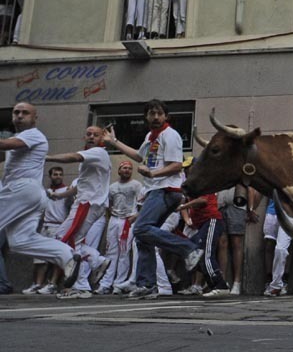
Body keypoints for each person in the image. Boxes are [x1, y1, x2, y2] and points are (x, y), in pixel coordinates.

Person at [102, 99, 203, 299]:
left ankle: (189, 249)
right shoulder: (150, 136)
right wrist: (114, 142)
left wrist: (152, 174)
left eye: (159, 114)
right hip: (156, 190)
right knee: (142, 237)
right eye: (151, 114)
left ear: (166, 116)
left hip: (166, 190)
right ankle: (146, 284)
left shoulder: (170, 135)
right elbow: (139, 157)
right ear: (146, 117)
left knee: (139, 228)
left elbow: (176, 165)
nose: (155, 117)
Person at [0, 103, 82, 293]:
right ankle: (67, 256)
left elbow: (6, 144)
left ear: (35, 118)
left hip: (21, 189)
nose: (19, 115)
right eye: (16, 112)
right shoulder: (19, 138)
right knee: (21, 240)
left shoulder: (33, 135)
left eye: (25, 113)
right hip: (30, 194)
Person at [44, 126, 113, 299]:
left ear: (102, 139)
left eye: (95, 135)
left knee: (66, 240)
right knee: (68, 240)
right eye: (88, 134)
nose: (91, 137)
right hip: (86, 203)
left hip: (88, 204)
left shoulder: (98, 152)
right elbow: (78, 187)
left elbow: (73, 156)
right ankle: (96, 261)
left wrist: (47, 157)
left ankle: (80, 284)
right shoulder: (90, 159)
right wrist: (58, 195)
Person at [177, 160, 230, 297]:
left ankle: (220, 286)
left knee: (206, 254)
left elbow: (203, 200)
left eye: (189, 167)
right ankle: (214, 285)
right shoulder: (190, 184)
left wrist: (183, 207)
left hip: (211, 220)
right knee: (196, 254)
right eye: (186, 167)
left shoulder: (203, 181)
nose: (187, 169)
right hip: (202, 224)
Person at [21, 166, 70, 295]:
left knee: (56, 257)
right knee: (39, 256)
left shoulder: (67, 191)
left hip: (59, 227)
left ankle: (52, 284)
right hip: (45, 226)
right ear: (50, 176)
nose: (58, 176)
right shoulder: (45, 191)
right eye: (55, 174)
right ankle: (38, 284)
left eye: (60, 174)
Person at [96, 160, 142, 295]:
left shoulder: (136, 185)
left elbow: (141, 204)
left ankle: (118, 283)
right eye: (124, 168)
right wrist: (112, 217)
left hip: (128, 222)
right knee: (111, 252)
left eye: (129, 168)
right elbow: (109, 205)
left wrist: (135, 217)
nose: (127, 170)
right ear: (119, 170)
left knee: (124, 252)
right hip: (114, 220)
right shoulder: (112, 187)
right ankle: (105, 284)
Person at [217, 186, 258, 295]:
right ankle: (223, 281)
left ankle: (237, 281)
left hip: (238, 206)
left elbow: (250, 188)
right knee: (222, 243)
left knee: (237, 243)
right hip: (221, 205)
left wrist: (251, 208)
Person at [262, 198, 291, 296]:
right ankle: (273, 282)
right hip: (272, 211)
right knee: (270, 246)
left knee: (281, 249)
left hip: (288, 214)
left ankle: (283, 281)